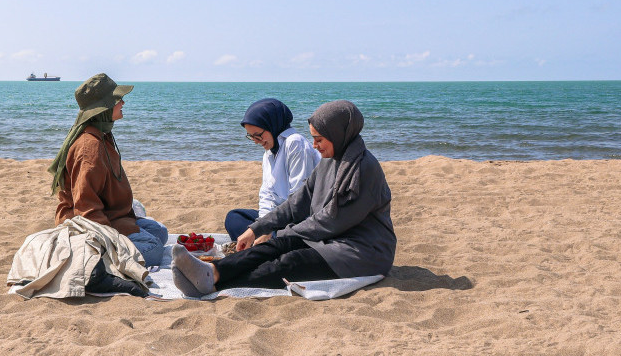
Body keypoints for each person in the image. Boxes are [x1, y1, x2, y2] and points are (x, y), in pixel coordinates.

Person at [171, 99, 395, 296]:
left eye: (319, 139)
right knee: (275, 246)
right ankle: (213, 271)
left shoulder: (364, 169)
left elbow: (332, 221)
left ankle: (214, 286)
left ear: (338, 134)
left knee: (290, 261)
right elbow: (298, 202)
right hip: (329, 238)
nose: (314, 146)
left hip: (361, 252)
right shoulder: (329, 160)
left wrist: (284, 233)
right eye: (313, 138)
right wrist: (257, 229)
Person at [49, 73, 168, 268]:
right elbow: (85, 209)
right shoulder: (90, 147)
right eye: (117, 99)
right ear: (103, 108)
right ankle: (103, 260)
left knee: (160, 232)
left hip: (111, 215)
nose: (123, 102)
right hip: (93, 224)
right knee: (154, 250)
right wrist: (111, 241)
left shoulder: (101, 135)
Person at [224, 97, 321, 242]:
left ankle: (267, 246)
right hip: (278, 219)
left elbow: (300, 200)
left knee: (285, 236)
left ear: (272, 125)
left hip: (299, 219)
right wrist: (262, 226)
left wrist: (266, 228)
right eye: (251, 136)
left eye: (258, 135)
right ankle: (265, 245)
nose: (256, 141)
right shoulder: (270, 151)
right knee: (234, 217)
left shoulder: (295, 143)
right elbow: (267, 194)